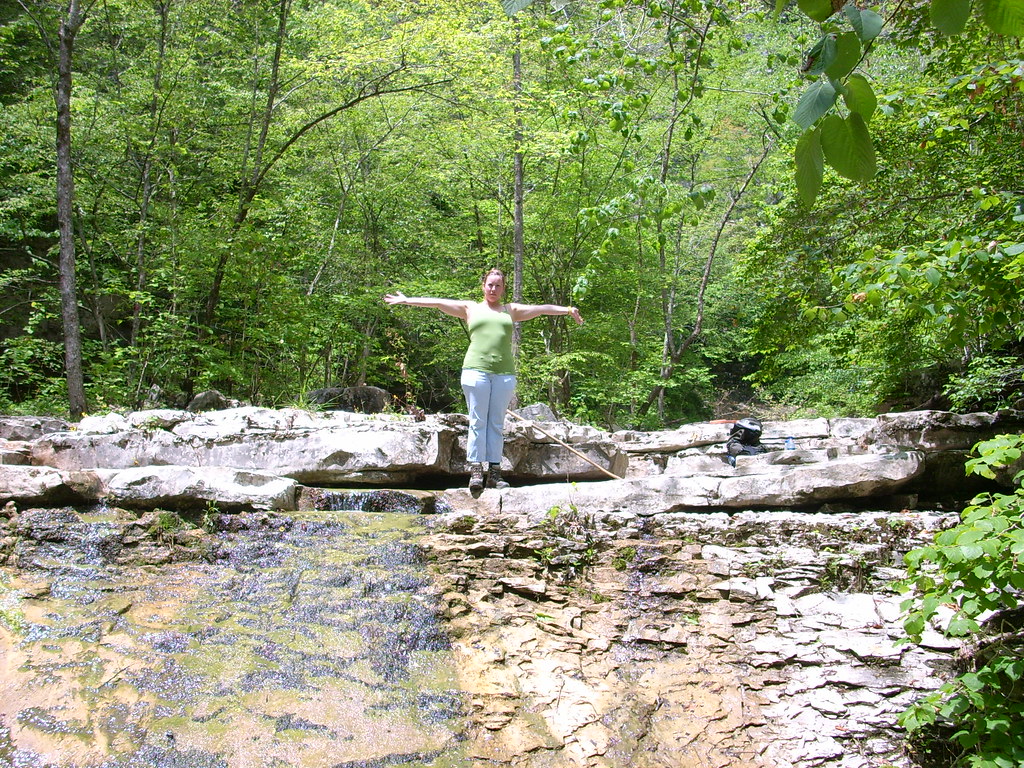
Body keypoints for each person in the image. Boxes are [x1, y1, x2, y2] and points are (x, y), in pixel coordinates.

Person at [385, 268, 583, 491]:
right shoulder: (471, 308)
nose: (493, 289)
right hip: (475, 371)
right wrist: (406, 300)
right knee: (478, 421)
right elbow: (438, 302)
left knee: (496, 424)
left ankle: (495, 474)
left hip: (504, 374)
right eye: (490, 284)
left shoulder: (510, 310)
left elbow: (540, 309)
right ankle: (476, 472)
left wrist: (567, 310)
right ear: (483, 286)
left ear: (503, 289)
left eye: (498, 285)